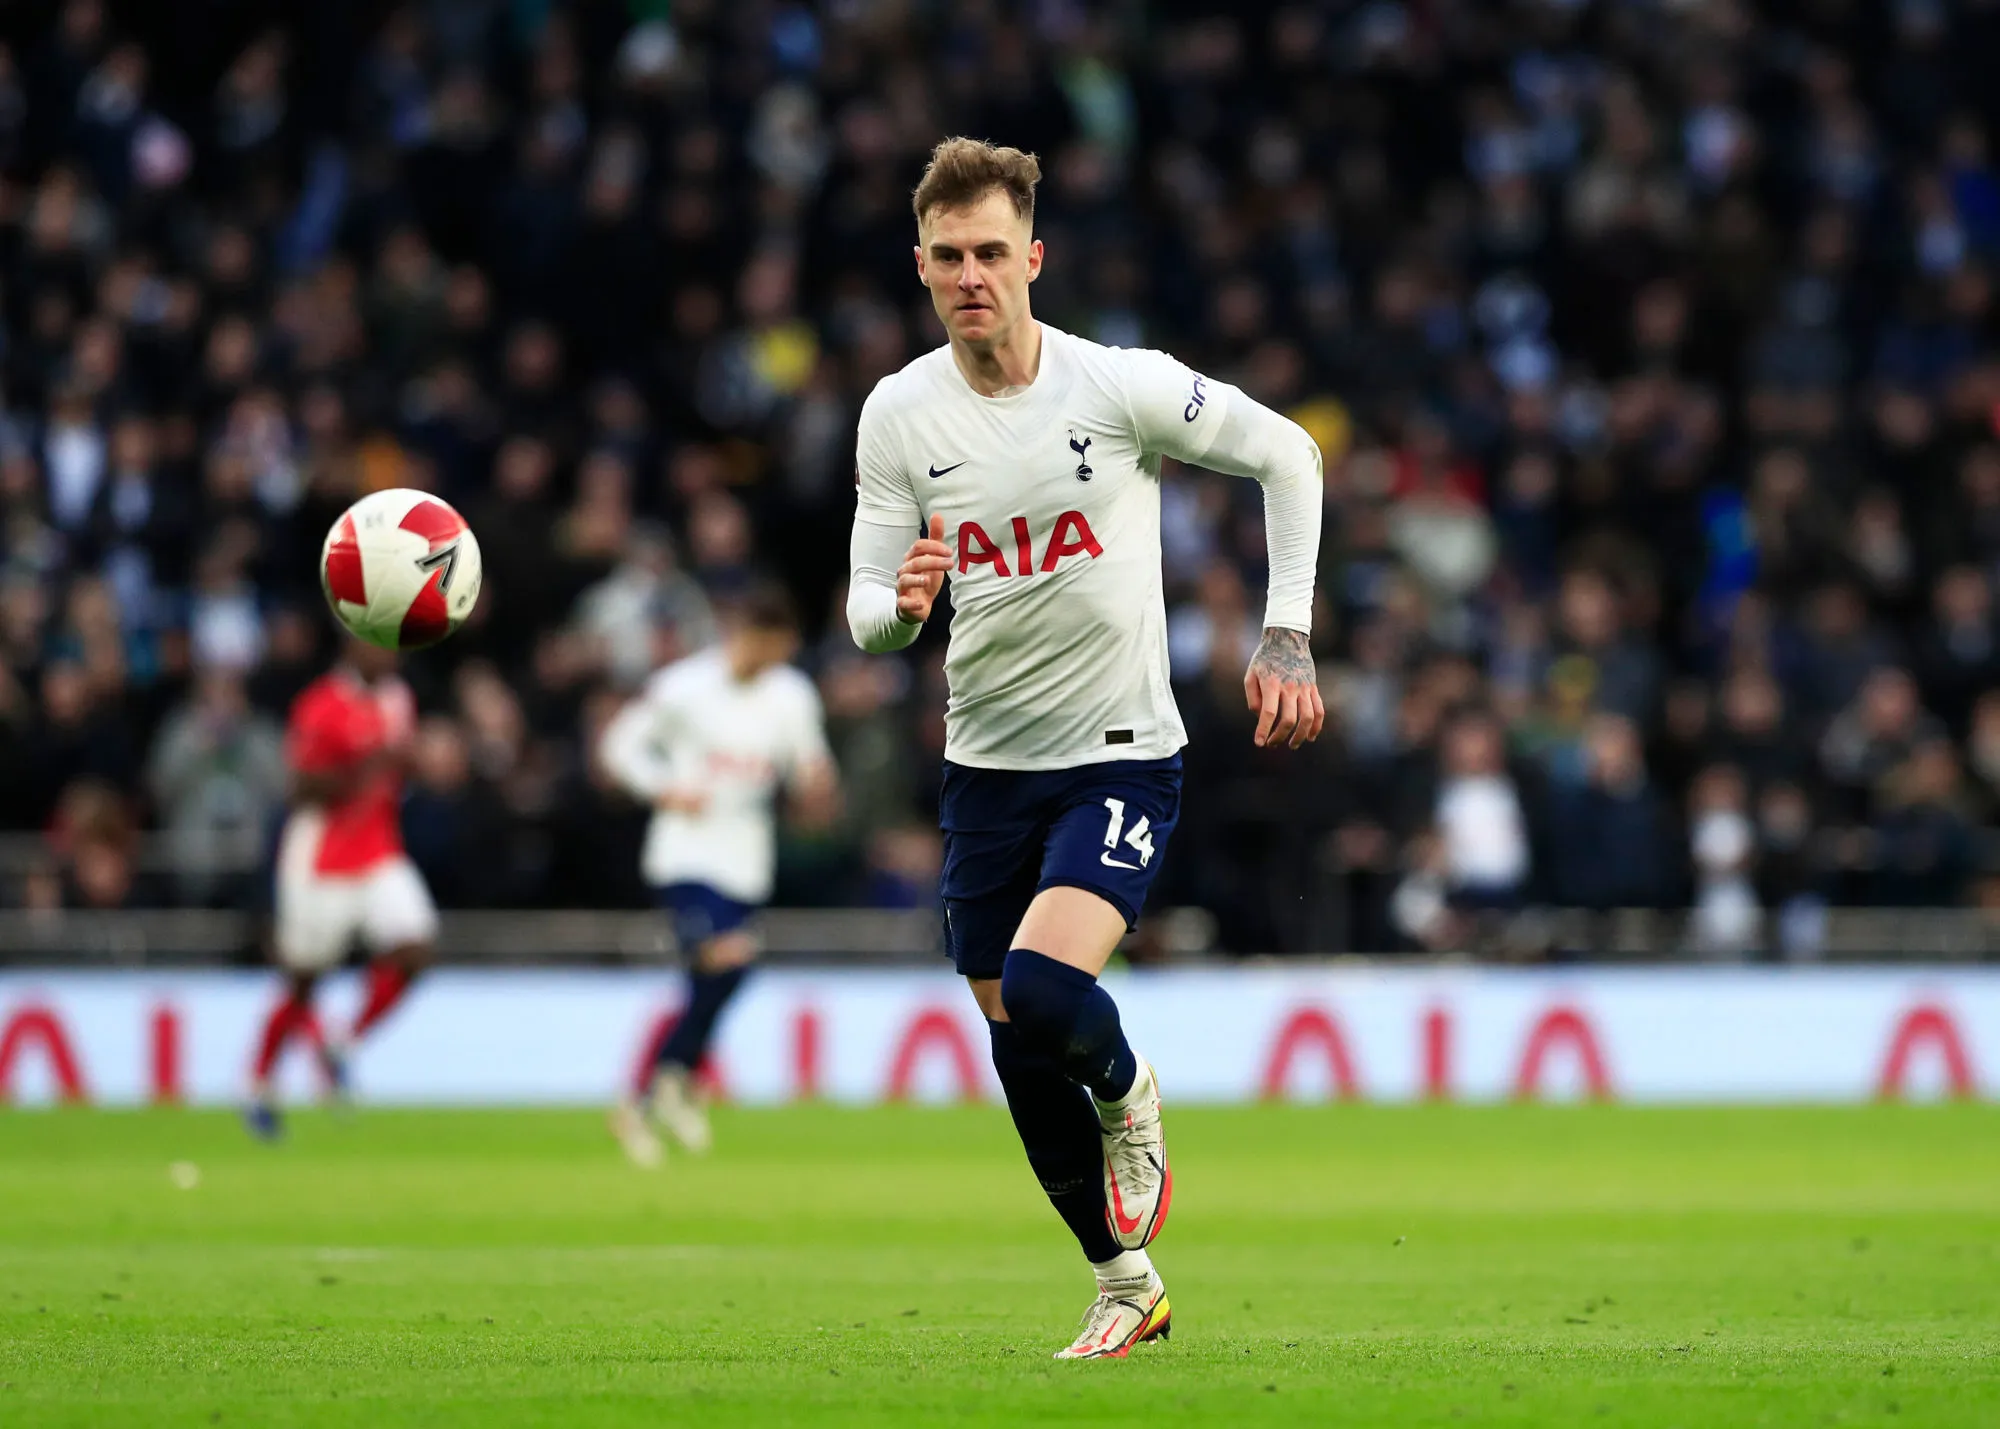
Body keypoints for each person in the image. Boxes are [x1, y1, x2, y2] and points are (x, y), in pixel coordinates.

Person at [845, 138, 1324, 1360]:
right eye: (947, 255)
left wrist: (1285, 633)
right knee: (1013, 1039)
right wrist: (899, 607)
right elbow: (864, 612)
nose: (970, 275)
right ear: (920, 265)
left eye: (991, 252)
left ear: (1032, 259)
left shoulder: (1115, 387)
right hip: (984, 767)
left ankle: (1126, 1088)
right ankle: (1124, 1283)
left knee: (1055, 995)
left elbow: (1289, 452)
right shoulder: (899, 414)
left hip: (1116, 752)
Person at [597, 584, 837, 1164]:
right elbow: (619, 746)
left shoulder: (791, 695)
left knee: (723, 977)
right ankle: (670, 1084)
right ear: (744, 634)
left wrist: (815, 788)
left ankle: (657, 1090)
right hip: (685, 854)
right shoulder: (685, 688)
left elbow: (809, 766)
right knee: (725, 957)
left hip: (746, 860)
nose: (774, 660)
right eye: (768, 646)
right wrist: (663, 788)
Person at [246, 637, 435, 1139]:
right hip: (321, 858)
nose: (391, 656)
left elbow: (400, 774)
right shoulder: (321, 705)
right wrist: (367, 764)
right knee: (304, 981)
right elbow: (301, 788)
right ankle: (260, 1086)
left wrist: (410, 764)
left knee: (416, 949)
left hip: (377, 850)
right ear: (352, 645)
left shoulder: (398, 698)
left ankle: (342, 1040)